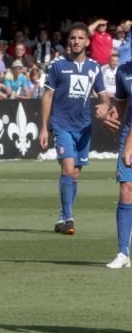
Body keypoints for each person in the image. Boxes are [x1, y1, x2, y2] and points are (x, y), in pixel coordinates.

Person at [39, 23, 111, 236]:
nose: (76, 41)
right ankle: (69, 219)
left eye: (80, 38)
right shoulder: (58, 65)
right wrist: (44, 127)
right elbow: (47, 95)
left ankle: (63, 216)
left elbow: (104, 94)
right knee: (68, 168)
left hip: (84, 127)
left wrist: (105, 105)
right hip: (61, 125)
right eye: (72, 38)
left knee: (76, 174)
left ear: (87, 42)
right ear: (68, 41)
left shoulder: (94, 67)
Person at [107, 60, 132, 269]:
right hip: (128, 136)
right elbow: (121, 101)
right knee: (126, 189)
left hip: (131, 141)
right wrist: (113, 112)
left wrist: (129, 145)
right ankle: (123, 252)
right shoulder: (124, 71)